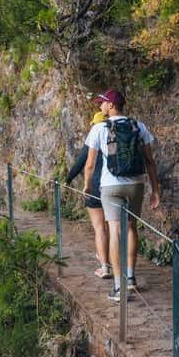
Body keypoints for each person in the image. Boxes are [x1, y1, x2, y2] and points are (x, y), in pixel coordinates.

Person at [82, 88, 161, 302]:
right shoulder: (139, 126)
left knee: (115, 229)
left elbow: (89, 165)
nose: (100, 107)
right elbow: (150, 162)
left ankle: (119, 287)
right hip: (136, 184)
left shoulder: (99, 128)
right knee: (131, 228)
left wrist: (87, 186)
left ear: (111, 105)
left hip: (110, 186)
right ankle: (131, 278)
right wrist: (155, 190)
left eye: (103, 103)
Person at [65, 110, 111, 279]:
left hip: (95, 187)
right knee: (112, 227)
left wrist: (68, 180)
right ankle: (112, 261)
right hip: (113, 186)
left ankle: (105, 267)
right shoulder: (115, 136)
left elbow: (81, 163)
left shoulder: (94, 137)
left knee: (100, 228)